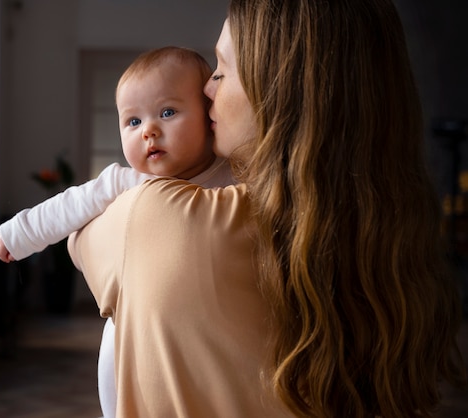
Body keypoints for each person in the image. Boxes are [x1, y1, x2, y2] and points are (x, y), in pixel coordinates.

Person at [67, 0, 467, 417]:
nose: (206, 89)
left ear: (282, 90)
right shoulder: (385, 243)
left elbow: (81, 239)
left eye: (220, 71)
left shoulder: (162, 216)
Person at [0, 46, 235, 417]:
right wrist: (20, 233)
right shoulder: (125, 181)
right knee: (117, 368)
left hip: (203, 328)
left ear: (208, 117)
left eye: (167, 112)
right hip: (134, 327)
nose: (149, 131)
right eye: (132, 122)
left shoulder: (231, 175)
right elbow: (69, 207)